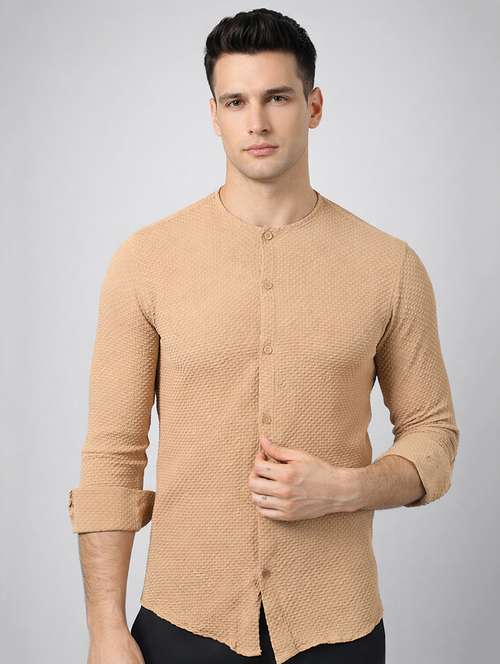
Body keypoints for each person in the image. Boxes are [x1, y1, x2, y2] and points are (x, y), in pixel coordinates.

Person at [68, 8, 459, 664]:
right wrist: (105, 628)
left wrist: (346, 488)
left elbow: (435, 436)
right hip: (182, 623)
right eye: (236, 102)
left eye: (277, 98)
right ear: (214, 115)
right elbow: (113, 456)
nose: (256, 122)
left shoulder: (389, 266)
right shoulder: (147, 261)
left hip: (339, 627)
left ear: (314, 106)